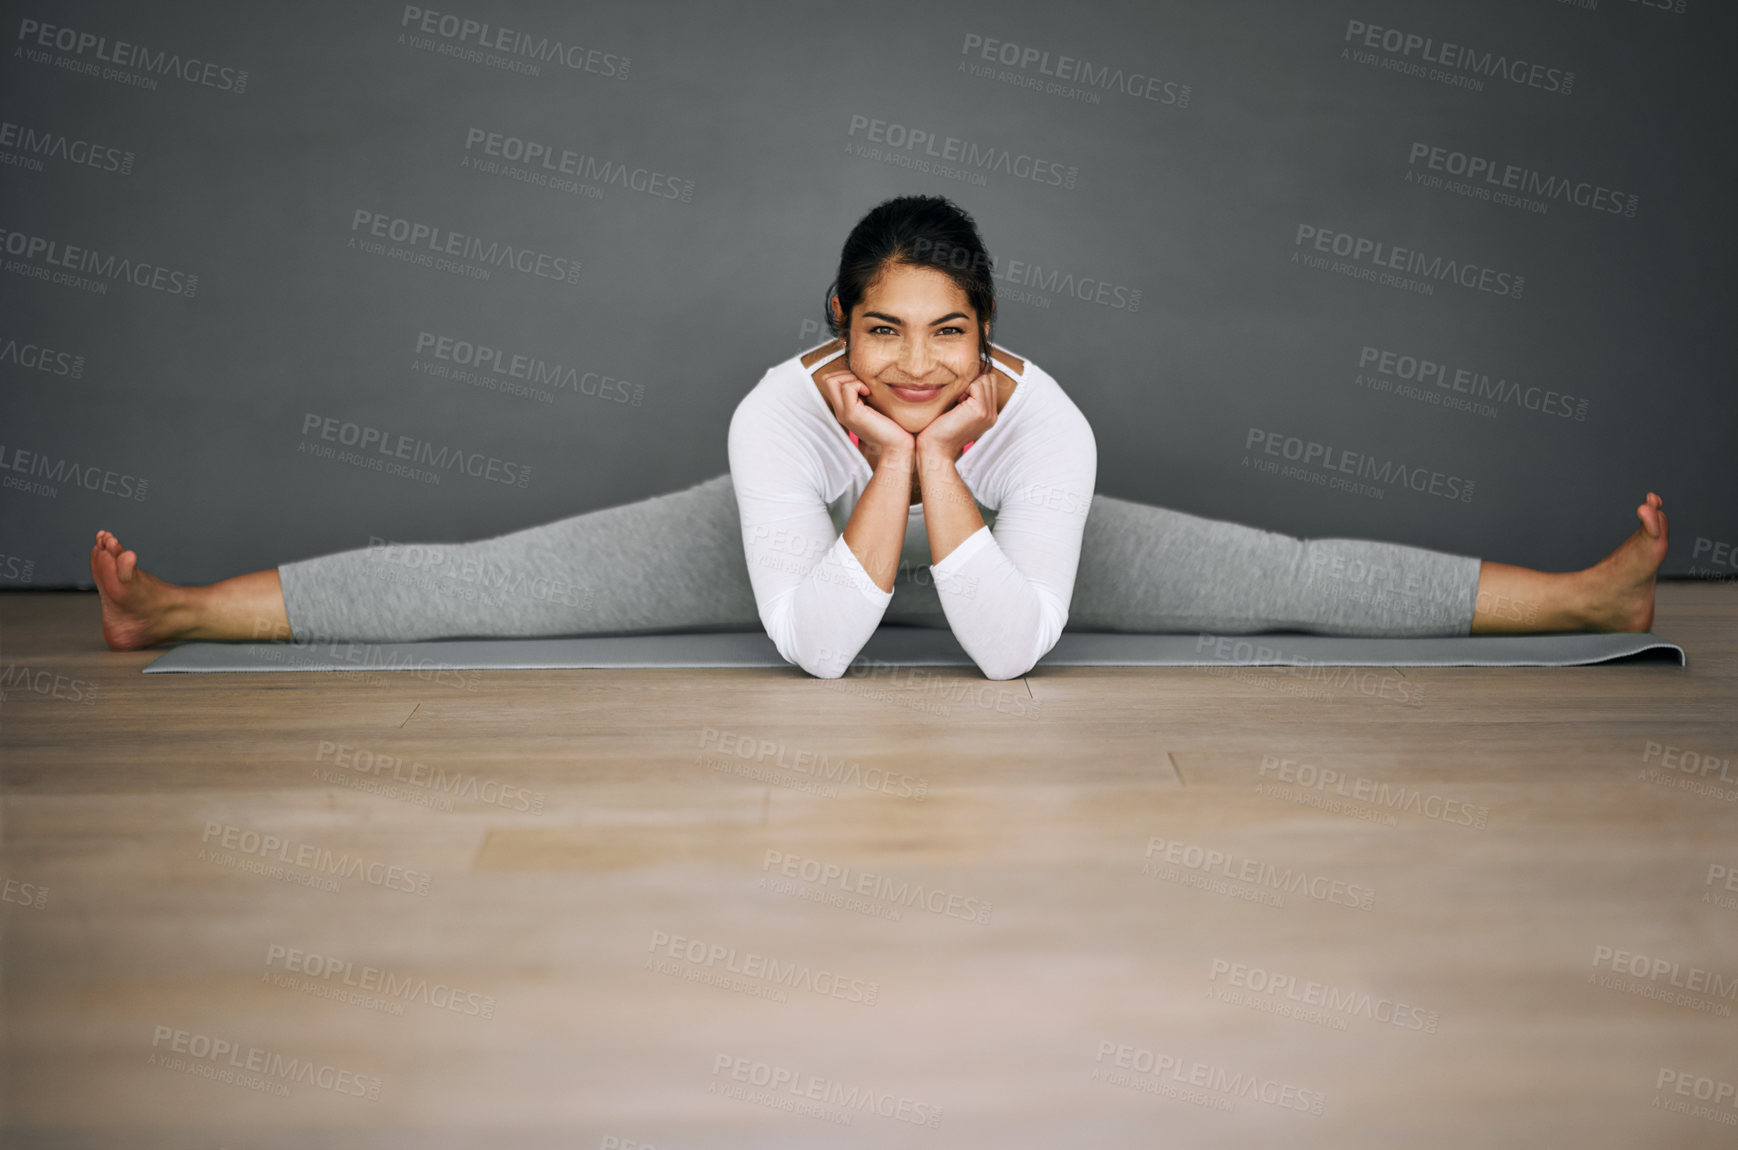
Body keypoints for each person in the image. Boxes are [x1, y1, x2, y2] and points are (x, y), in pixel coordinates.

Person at [89, 195, 1669, 680]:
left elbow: (1001, 651)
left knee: (1290, 570)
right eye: (882, 333)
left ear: (991, 337)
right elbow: (821, 648)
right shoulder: (775, 416)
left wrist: (928, 467)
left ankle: (1584, 598)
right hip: (796, 555)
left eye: (951, 334)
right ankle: (180, 608)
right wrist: (901, 466)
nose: (915, 366)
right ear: (833, 329)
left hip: (1002, 558)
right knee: (493, 577)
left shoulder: (1046, 425)